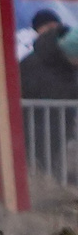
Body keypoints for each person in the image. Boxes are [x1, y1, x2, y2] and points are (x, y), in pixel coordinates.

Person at [24, 10, 78, 183]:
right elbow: (54, 92)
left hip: (61, 129)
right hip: (39, 131)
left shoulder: (63, 64)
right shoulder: (34, 64)